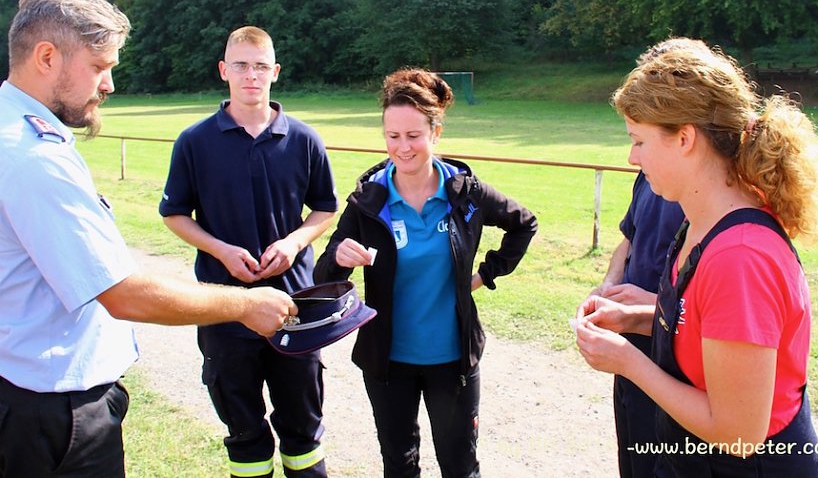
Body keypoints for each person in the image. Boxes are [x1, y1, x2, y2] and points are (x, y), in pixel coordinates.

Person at [0, 0, 298, 478]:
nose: (109, 84)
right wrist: (246, 305)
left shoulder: (18, 131)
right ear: (47, 57)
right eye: (99, 67)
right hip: (52, 413)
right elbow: (123, 294)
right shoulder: (30, 154)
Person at [575, 39, 818, 476]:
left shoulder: (741, 256)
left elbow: (739, 433)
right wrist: (637, 317)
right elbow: (703, 326)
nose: (632, 157)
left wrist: (628, 360)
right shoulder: (702, 223)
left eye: (638, 141)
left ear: (684, 138)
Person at [313, 68, 538, 478]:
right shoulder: (368, 201)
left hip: (452, 362)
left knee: (459, 464)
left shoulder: (465, 192)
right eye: (393, 136)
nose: (403, 147)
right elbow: (322, 272)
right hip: (387, 362)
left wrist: (486, 274)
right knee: (399, 465)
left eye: (414, 136)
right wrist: (340, 257)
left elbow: (524, 224)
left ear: (436, 133)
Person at [159, 25, 338, 478]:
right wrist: (220, 250)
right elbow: (174, 214)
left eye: (260, 66)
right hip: (225, 307)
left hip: (294, 305)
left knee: (303, 429)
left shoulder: (304, 139)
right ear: (224, 71)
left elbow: (324, 208)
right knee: (244, 430)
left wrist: (294, 242)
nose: (251, 75)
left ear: (275, 72)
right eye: (240, 65)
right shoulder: (195, 142)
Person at [588, 39, 697, 477]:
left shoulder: (711, 201)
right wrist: (609, 288)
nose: (633, 154)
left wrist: (649, 311)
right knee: (633, 457)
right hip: (632, 337)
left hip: (675, 349)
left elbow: (737, 426)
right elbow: (628, 239)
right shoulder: (652, 171)